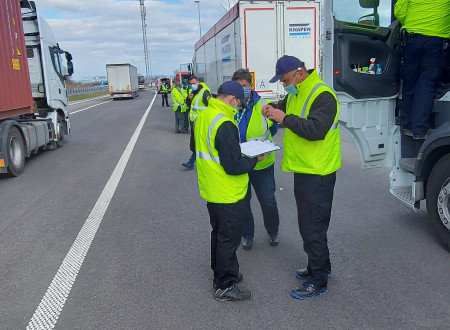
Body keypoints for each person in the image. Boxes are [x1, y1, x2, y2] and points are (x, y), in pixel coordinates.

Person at [263, 55, 341, 300]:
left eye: (286, 80)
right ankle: (319, 267)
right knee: (309, 224)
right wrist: (270, 110)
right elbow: (283, 108)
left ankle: (318, 281)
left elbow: (315, 130)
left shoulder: (323, 95)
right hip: (304, 169)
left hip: (318, 172)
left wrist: (282, 118)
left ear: (299, 73)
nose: (285, 85)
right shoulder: (296, 93)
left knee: (313, 226)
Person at [195, 81, 264, 301]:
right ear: (232, 99)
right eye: (238, 103)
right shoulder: (225, 124)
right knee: (229, 238)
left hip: (211, 188)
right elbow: (234, 166)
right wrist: (253, 160)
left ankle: (222, 272)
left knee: (219, 233)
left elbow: (196, 147)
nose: (238, 107)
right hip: (228, 192)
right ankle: (224, 284)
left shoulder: (205, 116)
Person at [231, 69, 280, 250]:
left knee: (268, 200)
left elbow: (273, 129)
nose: (242, 89)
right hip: (241, 164)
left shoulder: (264, 105)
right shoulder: (231, 106)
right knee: (243, 203)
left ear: (251, 86)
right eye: (238, 86)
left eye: (245, 86)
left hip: (262, 163)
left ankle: (273, 231)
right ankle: (247, 235)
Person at [394, 0, 449, 139]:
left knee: (409, 83)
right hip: (435, 40)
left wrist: (415, 21)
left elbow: (399, 10)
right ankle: (419, 129)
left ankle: (406, 126)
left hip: (412, 39)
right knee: (427, 85)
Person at [182, 76, 211, 170]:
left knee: (199, 144)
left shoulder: (204, 92)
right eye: (190, 84)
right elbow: (191, 106)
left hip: (202, 123)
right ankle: (193, 162)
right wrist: (188, 99)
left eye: (193, 83)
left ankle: (192, 162)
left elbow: (210, 107)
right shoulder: (194, 92)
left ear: (198, 82)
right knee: (197, 144)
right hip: (195, 124)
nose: (192, 86)